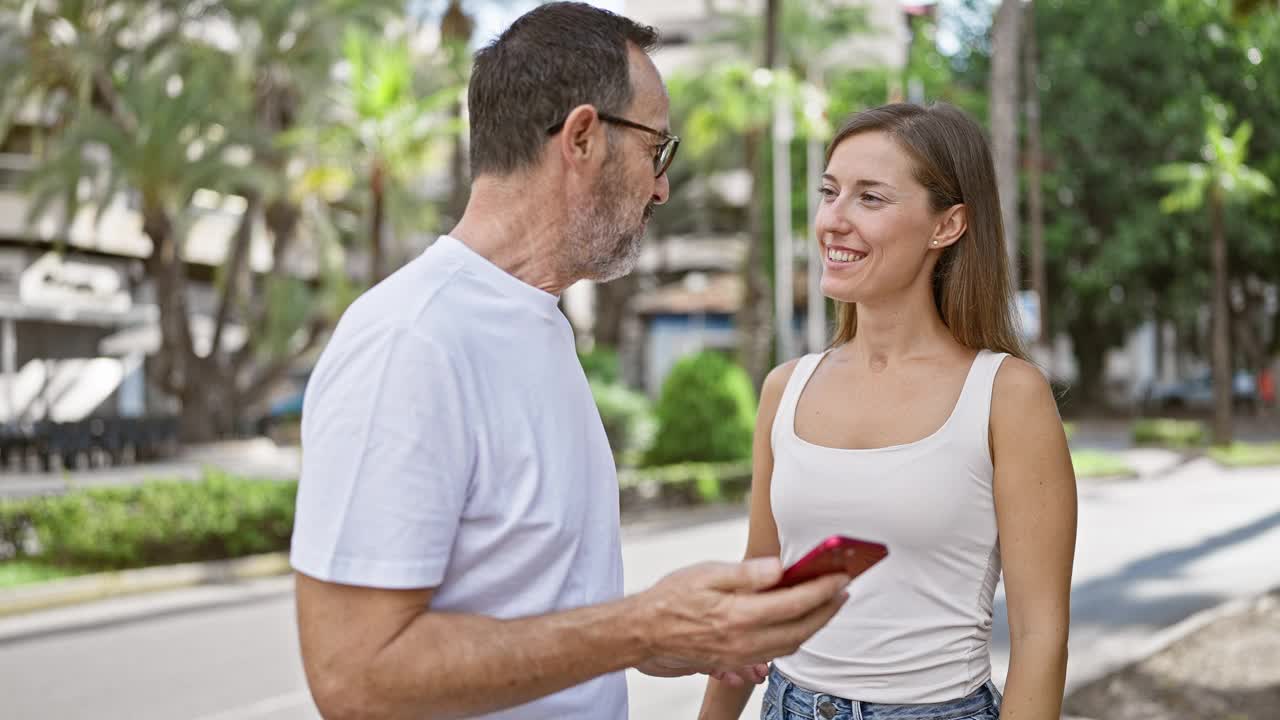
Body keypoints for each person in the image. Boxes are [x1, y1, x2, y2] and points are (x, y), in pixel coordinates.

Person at [289, 4, 850, 719]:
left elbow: (530, 604)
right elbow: (356, 679)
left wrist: (653, 641)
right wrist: (640, 625)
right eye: (658, 150)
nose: (661, 187)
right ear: (583, 137)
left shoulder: (538, 321)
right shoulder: (412, 341)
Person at [698, 103, 1078, 720]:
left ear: (946, 225)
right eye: (829, 192)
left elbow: (1040, 639)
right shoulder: (785, 388)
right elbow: (759, 596)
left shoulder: (1007, 397)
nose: (833, 220)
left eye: (870, 198)